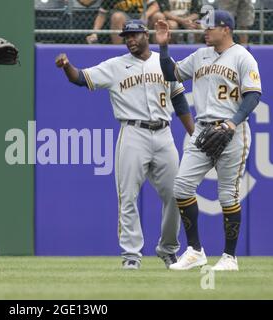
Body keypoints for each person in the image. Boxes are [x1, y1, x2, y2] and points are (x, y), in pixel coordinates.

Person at [56, 20, 195, 269]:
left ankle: (168, 249)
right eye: (126, 36)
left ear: (145, 35)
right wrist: (67, 66)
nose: (129, 39)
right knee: (127, 196)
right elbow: (80, 78)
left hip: (164, 134)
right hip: (133, 133)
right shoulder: (115, 66)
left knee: (177, 195)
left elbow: (180, 101)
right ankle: (131, 255)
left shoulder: (164, 63)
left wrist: (193, 134)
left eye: (134, 35)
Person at [156, 10, 262, 270]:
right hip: (203, 131)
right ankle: (195, 251)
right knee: (181, 186)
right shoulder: (200, 55)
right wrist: (163, 46)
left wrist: (232, 122)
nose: (204, 31)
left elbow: (253, 95)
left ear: (225, 29)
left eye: (209, 27)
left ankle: (229, 257)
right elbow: (172, 74)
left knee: (227, 194)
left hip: (232, 131)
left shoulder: (242, 57)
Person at [86, 0, 160, 44]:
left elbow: (155, 6)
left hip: (142, 18)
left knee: (158, 16)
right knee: (117, 16)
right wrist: (94, 33)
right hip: (125, 21)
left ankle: (158, 48)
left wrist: (145, 15)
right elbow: (102, 15)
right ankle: (118, 50)